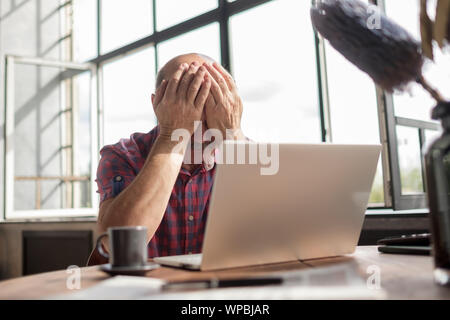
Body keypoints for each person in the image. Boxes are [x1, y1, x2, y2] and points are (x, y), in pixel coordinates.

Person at [95, 53, 246, 257]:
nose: (198, 108)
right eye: (184, 94)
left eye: (212, 95)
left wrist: (232, 135)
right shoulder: (122, 155)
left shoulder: (243, 152)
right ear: (157, 104)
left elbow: (274, 237)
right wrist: (172, 135)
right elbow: (115, 245)